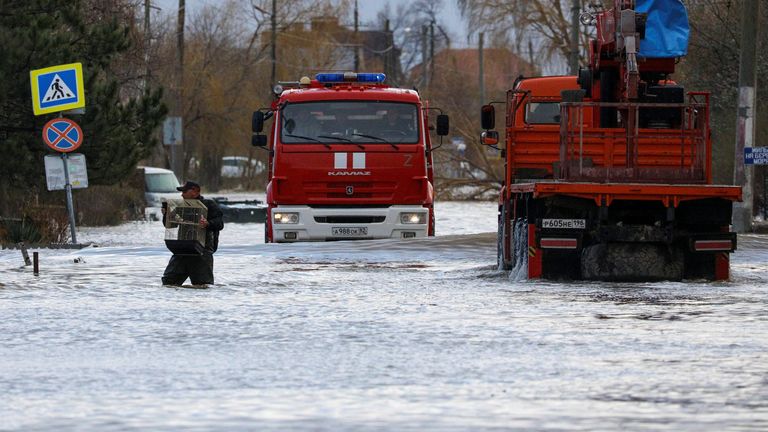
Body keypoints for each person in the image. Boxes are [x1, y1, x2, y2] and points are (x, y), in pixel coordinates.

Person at [161, 180, 224, 286]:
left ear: (195, 192)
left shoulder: (209, 205)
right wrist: (166, 214)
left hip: (202, 252)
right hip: (182, 249)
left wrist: (208, 223)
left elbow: (220, 223)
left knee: (203, 285)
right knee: (169, 283)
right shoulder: (180, 206)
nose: (182, 194)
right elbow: (170, 225)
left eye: (185, 191)